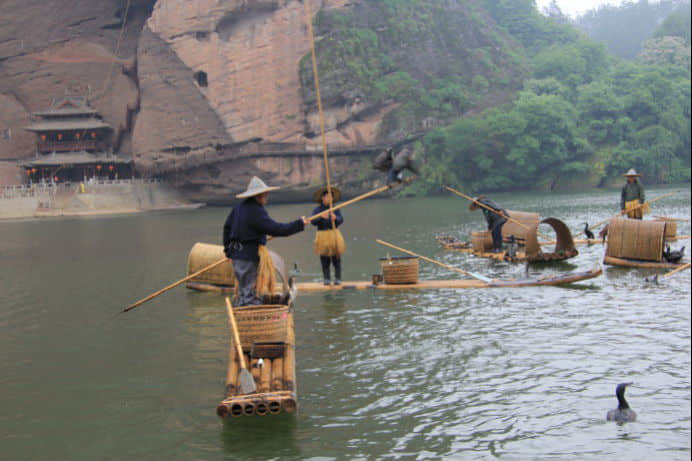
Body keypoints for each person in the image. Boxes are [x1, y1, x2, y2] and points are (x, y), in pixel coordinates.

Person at [223, 176, 308, 306]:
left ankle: (243, 317)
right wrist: (299, 224)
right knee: (250, 294)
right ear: (259, 195)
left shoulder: (238, 208)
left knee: (244, 292)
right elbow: (277, 229)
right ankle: (253, 321)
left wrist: (228, 252)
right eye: (265, 194)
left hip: (237, 257)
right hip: (248, 258)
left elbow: (227, 229)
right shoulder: (256, 211)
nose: (267, 197)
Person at [311, 186, 345, 285]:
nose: (329, 199)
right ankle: (326, 278)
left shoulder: (335, 208)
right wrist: (320, 217)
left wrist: (335, 218)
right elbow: (313, 221)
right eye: (327, 197)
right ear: (322, 198)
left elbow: (341, 220)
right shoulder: (317, 210)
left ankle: (338, 278)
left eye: (331, 197)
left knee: (336, 258)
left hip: (334, 234)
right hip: (322, 236)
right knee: (325, 258)